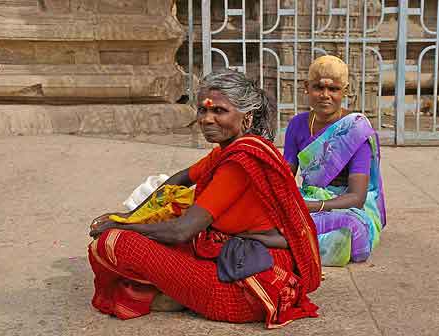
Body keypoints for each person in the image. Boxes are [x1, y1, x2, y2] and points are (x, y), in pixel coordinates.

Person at [88, 69, 321, 328]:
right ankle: (175, 293)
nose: (207, 119)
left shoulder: (240, 162)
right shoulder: (232, 149)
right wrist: (129, 216)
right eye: (203, 110)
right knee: (158, 223)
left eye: (219, 111)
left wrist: (121, 226)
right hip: (239, 259)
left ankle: (176, 296)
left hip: (246, 286)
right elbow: (181, 178)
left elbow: (181, 232)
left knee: (113, 242)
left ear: (247, 117)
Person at [283, 55, 386, 267]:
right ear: (306, 87)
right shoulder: (297, 124)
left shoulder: (355, 129)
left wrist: (311, 207)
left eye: (334, 89)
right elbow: (284, 176)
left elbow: (357, 197)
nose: (325, 95)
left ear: (345, 91)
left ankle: (292, 245)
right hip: (308, 198)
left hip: (346, 207)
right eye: (318, 87)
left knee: (348, 230)